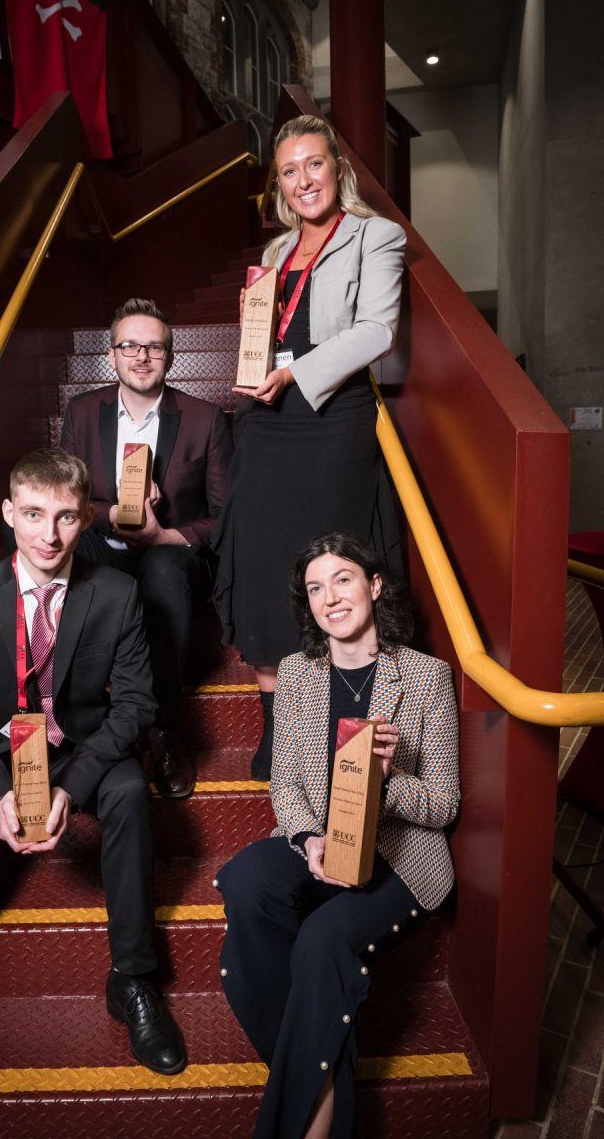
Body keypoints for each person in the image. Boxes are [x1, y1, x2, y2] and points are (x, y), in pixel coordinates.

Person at [0, 448, 186, 1087]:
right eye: (32, 514)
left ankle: (133, 980)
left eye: (63, 517)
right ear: (9, 512)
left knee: (131, 791)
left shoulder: (116, 592)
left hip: (83, 747)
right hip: (3, 751)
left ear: (85, 518)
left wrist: (70, 784)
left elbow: (137, 704)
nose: (47, 534)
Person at [216, 532, 460, 1139]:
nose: (331, 597)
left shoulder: (426, 677)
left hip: (400, 859)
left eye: (343, 579)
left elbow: (445, 804)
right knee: (245, 880)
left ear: (375, 586)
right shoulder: (298, 674)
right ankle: (322, 1083)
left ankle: (303, 1125)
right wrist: (307, 842)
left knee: (321, 941)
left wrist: (387, 781)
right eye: (316, 588)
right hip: (322, 846)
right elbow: (288, 782)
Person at [213, 114, 407, 780]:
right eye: (290, 171)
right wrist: (257, 359)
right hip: (267, 422)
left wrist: (297, 371)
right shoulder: (272, 256)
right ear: (279, 185)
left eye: (314, 165)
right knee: (267, 567)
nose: (304, 180)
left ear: (338, 171)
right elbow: (264, 337)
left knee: (330, 565)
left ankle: (334, 725)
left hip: (331, 418)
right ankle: (277, 731)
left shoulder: (375, 236)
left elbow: (377, 328)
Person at [60, 298, 233, 800]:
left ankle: (162, 728)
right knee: (55, 547)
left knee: (158, 573)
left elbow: (225, 517)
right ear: (112, 355)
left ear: (170, 356)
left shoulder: (203, 419)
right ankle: (76, 720)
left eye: (153, 347)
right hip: (104, 542)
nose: (141, 357)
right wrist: (110, 512)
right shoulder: (83, 411)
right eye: (129, 345)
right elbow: (66, 498)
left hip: (173, 554)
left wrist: (163, 535)